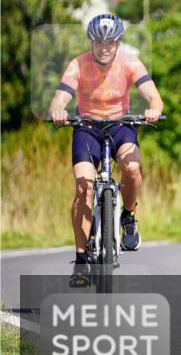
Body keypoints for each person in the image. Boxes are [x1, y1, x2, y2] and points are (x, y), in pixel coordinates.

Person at [48, 14, 164, 287]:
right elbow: (60, 97)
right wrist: (58, 110)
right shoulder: (78, 65)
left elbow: (153, 96)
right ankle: (80, 261)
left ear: (118, 43)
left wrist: (154, 110)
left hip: (120, 126)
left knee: (132, 168)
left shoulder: (130, 63)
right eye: (98, 42)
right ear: (91, 42)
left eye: (109, 43)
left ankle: (128, 217)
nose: (104, 48)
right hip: (87, 128)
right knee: (83, 187)